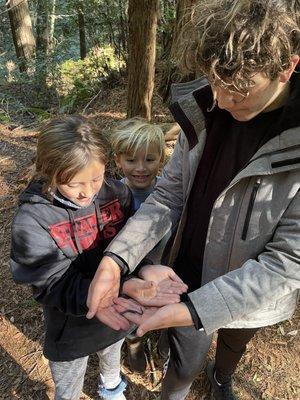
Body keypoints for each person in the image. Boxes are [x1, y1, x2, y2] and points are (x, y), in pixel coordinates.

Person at [87, 1, 300, 399]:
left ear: (286, 68)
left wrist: (200, 310)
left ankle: (222, 375)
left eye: (238, 89)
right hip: (183, 273)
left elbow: (287, 262)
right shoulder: (204, 109)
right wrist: (117, 259)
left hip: (251, 290)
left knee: (236, 336)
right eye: (214, 81)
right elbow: (168, 195)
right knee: (184, 358)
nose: (219, 98)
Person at [9, 116, 185, 400]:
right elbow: (51, 283)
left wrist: (143, 272)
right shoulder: (32, 221)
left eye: (96, 178)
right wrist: (105, 292)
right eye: (75, 183)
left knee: (112, 354)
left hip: (116, 315)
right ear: (49, 172)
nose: (88, 192)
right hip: (70, 328)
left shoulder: (117, 193)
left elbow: (130, 248)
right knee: (68, 383)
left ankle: (112, 389)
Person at [111, 117, 170, 372]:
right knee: (130, 311)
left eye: (149, 159)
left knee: (160, 305)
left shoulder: (169, 195)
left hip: (160, 267)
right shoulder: (110, 196)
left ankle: (160, 338)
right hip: (125, 273)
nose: (140, 168)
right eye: (131, 160)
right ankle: (133, 342)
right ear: (118, 161)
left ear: (161, 160)